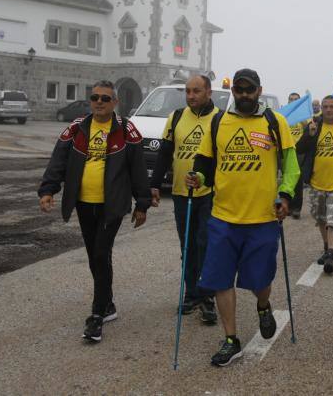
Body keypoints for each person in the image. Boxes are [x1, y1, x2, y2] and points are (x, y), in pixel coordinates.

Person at [186, 68, 300, 367]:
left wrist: (285, 195)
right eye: (240, 90)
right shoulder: (219, 122)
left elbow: (291, 166)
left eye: (250, 90)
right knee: (221, 280)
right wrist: (197, 177)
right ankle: (231, 340)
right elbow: (204, 165)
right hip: (223, 217)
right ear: (233, 92)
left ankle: (263, 306)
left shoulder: (276, 122)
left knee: (258, 280)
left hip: (262, 218)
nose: (245, 95)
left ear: (259, 91)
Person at [38, 80, 152, 343]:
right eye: (95, 98)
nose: (99, 102)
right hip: (83, 203)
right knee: (95, 255)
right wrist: (47, 190)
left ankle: (97, 315)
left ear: (115, 103)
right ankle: (108, 303)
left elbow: (137, 168)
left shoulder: (126, 130)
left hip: (112, 205)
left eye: (105, 98)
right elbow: (58, 161)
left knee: (101, 253)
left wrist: (142, 203)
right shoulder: (76, 128)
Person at [150, 75, 219, 325]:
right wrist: (155, 184)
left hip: (210, 193)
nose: (191, 96)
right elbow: (165, 153)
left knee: (206, 244)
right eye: (188, 91)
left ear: (209, 92)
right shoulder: (176, 117)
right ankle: (191, 294)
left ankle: (208, 296)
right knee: (187, 245)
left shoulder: (220, 119)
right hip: (181, 193)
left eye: (196, 91)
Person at [297, 95, 333, 273]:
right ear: (321, 109)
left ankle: (331, 253)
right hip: (316, 182)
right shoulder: (314, 126)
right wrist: (309, 135)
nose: (329, 109)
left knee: (332, 219)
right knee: (320, 218)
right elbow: (299, 149)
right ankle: (326, 247)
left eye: (332, 106)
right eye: (325, 106)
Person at [286, 92, 309, 219]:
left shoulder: (304, 115)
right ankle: (288, 206)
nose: (294, 101)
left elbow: (308, 128)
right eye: (291, 99)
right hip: (286, 150)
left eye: (296, 99)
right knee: (287, 179)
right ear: (288, 101)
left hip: (299, 151)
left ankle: (296, 209)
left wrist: (303, 119)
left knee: (298, 180)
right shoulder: (285, 115)